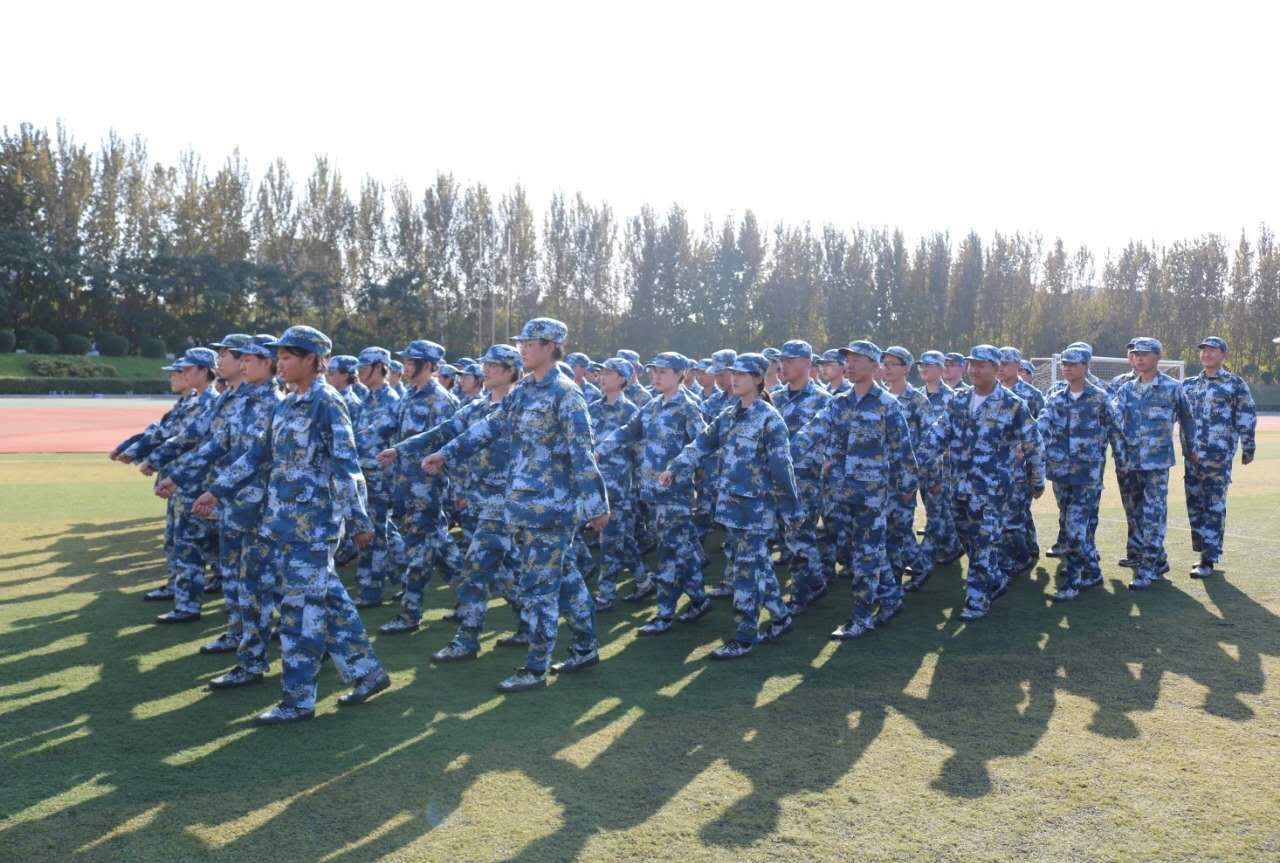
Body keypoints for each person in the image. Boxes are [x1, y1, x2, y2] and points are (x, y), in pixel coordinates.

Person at [195, 325, 391, 725]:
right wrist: (217, 490)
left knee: (299, 614)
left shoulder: (326, 402)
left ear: (312, 361)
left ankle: (298, 700)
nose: (280, 363)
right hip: (283, 524)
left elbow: (347, 465)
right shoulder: (286, 405)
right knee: (329, 600)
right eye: (279, 357)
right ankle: (367, 672)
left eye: (287, 357)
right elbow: (257, 455)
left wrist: (358, 519)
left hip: (313, 527)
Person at [424, 318, 609, 693]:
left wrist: (597, 505)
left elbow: (583, 453)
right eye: (521, 343)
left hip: (551, 510)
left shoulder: (566, 394)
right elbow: (491, 425)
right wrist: (446, 453)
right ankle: (585, 647)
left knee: (539, 590)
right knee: (567, 579)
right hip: (524, 506)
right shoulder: (525, 389)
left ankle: (535, 668)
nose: (522, 349)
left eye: (530, 343)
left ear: (551, 347)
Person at [381, 344, 530, 661]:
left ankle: (467, 639)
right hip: (477, 500)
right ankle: (531, 624)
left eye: (494, 366)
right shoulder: (478, 407)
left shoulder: (521, 409)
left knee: (476, 568)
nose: (486, 370)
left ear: (511, 371)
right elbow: (444, 432)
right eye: (486, 364)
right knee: (503, 570)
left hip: (504, 502)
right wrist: (401, 449)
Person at [159, 334, 284, 686]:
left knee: (264, 584)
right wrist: (179, 476)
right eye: (240, 358)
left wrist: (215, 490)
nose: (242, 363)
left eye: (249, 359)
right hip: (234, 504)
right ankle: (240, 641)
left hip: (261, 508)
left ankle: (270, 653)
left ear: (268, 363)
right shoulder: (243, 400)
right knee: (236, 579)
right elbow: (217, 444)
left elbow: (256, 458)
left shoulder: (275, 404)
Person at [660, 353, 801, 659]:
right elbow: (701, 443)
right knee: (757, 564)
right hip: (731, 508)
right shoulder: (729, 415)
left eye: (742, 375)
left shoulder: (769, 419)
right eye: (732, 373)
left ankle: (744, 636)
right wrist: (675, 467)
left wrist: (792, 508)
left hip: (755, 510)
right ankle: (781, 617)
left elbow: (783, 468)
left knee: (744, 572)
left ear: (758, 379)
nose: (734, 379)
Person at [793, 341, 918, 638]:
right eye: (847, 359)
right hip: (839, 493)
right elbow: (810, 433)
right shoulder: (838, 403)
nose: (849, 364)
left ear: (874, 366)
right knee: (856, 551)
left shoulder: (887, 404)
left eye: (857, 359)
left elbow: (903, 450)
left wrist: (908, 486)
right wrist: (783, 453)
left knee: (866, 554)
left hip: (871, 495)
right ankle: (891, 597)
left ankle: (862, 617)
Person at [915, 345, 1044, 621]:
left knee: (984, 543)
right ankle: (994, 580)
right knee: (969, 541)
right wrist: (924, 469)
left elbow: (1033, 444)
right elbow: (936, 436)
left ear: (996, 369)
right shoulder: (959, 400)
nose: (974, 370)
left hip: (991, 490)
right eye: (972, 364)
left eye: (981, 365)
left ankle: (977, 599)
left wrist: (1037, 480)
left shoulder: (1012, 404)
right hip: (958, 486)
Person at [596, 352, 709, 633]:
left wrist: (685, 471)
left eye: (663, 372)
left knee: (669, 553)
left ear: (680, 375)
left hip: (674, 494)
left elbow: (704, 444)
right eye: (654, 371)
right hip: (651, 493)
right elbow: (627, 431)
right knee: (679, 549)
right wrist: (600, 449)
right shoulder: (653, 405)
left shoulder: (687, 407)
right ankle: (699, 598)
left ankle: (664, 614)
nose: (656, 377)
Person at [134, 346, 223, 623]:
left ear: (204, 371)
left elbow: (192, 442)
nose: (181, 374)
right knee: (183, 541)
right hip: (186, 480)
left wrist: (155, 461)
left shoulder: (212, 402)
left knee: (193, 544)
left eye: (187, 369)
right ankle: (183, 595)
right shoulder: (198, 401)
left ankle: (189, 602)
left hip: (201, 484)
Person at [380, 340, 463, 634]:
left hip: (427, 490)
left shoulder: (441, 401)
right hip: (406, 486)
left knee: (419, 553)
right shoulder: (408, 395)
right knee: (441, 549)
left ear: (427, 365)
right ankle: (470, 599)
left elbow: (449, 445)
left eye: (410, 361)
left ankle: (409, 613)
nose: (405, 365)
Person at [1036, 344, 1126, 601]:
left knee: (1075, 528)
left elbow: (1116, 431)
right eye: (1064, 364)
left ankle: (1072, 582)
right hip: (1060, 472)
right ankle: (1093, 572)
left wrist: (1122, 462)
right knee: (1069, 524)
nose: (1067, 368)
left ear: (1086, 367)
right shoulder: (1056, 398)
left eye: (1073, 364)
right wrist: (1025, 445)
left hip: (1087, 474)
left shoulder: (1100, 398)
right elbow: (1042, 425)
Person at [1112, 337, 1197, 590]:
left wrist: (1190, 450)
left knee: (1153, 515)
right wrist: (1117, 454)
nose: (1139, 358)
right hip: (1130, 462)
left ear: (1157, 357)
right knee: (1136, 514)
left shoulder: (1172, 388)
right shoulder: (1126, 389)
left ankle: (1148, 567)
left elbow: (1187, 419)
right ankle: (1158, 560)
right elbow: (1114, 420)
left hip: (1157, 464)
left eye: (1145, 354)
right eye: (1136, 354)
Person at [1179, 336, 1257, 578]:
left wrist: (1248, 447)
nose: (1207, 354)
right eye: (1204, 350)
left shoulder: (1234, 384)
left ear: (1223, 355)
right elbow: (1177, 416)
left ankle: (1208, 559)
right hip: (1192, 457)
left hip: (1217, 457)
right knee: (1194, 506)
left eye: (1212, 350)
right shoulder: (1188, 385)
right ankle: (1202, 552)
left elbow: (1246, 415)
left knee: (1213, 506)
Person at [771, 339, 831, 614]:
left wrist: (827, 464)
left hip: (806, 480)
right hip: (777, 479)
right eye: (782, 360)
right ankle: (815, 581)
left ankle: (801, 593)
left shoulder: (824, 400)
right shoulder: (774, 398)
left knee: (799, 536)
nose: (784, 365)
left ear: (807, 363)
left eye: (790, 360)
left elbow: (836, 439)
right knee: (788, 537)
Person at [588, 357, 651, 610]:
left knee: (610, 541)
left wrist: (637, 486)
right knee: (621, 538)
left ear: (623, 379)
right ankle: (644, 580)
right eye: (601, 373)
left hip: (620, 487)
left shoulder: (631, 412)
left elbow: (639, 453)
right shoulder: (592, 408)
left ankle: (605, 595)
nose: (602, 377)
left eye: (609, 373)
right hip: (595, 484)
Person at [349, 347, 403, 608]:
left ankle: (372, 590)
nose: (359, 372)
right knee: (375, 530)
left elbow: (372, 437)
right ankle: (400, 575)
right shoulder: (367, 399)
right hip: (364, 475)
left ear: (380, 367)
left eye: (365, 366)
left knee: (377, 533)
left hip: (380, 477)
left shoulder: (391, 400)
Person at [881, 346, 932, 597]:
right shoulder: (879, 397)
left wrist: (916, 478)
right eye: (885, 363)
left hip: (903, 476)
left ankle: (920, 566)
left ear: (906, 368)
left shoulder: (917, 401)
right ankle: (892, 581)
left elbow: (929, 441)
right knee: (885, 530)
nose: (887, 368)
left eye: (894, 364)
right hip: (878, 476)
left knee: (900, 528)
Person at [912, 350, 963, 580]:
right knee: (933, 507)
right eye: (921, 365)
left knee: (938, 510)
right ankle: (952, 546)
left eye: (929, 365)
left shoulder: (953, 398)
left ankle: (927, 558)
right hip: (921, 463)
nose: (924, 369)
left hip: (944, 466)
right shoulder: (916, 397)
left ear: (941, 369)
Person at [996, 347, 1045, 577]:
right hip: (996, 467)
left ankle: (1022, 557)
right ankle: (1029, 550)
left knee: (1014, 514)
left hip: (1020, 468)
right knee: (1015, 513)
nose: (1000, 368)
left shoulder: (1032, 395)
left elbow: (1040, 434)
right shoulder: (992, 392)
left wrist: (1036, 473)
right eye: (998, 364)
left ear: (1017, 365)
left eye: (1005, 364)